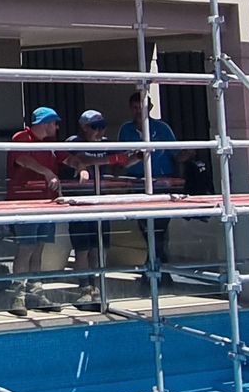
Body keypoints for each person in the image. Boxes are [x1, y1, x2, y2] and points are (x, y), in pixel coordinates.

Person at [2, 105, 65, 311]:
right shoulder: (21, 137)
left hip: (46, 202)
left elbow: (67, 159)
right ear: (46, 123)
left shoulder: (51, 144)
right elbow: (23, 159)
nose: (56, 128)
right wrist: (46, 172)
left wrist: (81, 168)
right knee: (26, 248)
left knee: (39, 249)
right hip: (25, 202)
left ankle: (35, 292)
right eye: (54, 123)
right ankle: (17, 295)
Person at [119, 88, 181, 283]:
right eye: (135, 108)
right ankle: (157, 269)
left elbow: (176, 154)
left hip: (163, 183)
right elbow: (122, 160)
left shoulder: (162, 128)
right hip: (138, 184)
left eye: (142, 107)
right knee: (146, 228)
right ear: (130, 109)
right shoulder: (126, 130)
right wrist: (137, 156)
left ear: (151, 107)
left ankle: (155, 269)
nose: (139, 111)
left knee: (160, 229)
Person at [67, 108, 112, 309]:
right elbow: (78, 160)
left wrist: (137, 155)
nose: (100, 131)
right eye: (95, 127)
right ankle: (84, 288)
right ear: (84, 128)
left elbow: (123, 163)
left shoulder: (107, 144)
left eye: (102, 126)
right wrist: (110, 160)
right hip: (80, 204)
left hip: (101, 203)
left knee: (99, 247)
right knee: (82, 249)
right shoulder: (73, 143)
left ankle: (98, 286)